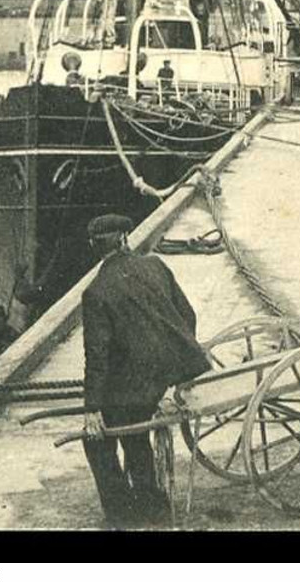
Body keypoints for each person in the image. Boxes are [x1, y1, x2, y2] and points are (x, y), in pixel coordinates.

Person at [79, 214, 210, 527]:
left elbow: (97, 356)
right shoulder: (156, 266)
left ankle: (123, 511)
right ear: (125, 238)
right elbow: (187, 316)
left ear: (94, 247)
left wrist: (92, 408)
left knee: (97, 438)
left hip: (137, 385)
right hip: (169, 376)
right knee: (134, 429)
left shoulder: (96, 291)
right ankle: (151, 502)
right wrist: (173, 366)